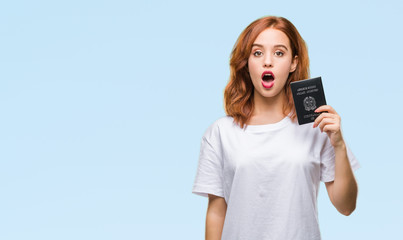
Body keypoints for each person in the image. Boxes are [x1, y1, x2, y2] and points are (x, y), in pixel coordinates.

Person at [191, 16, 360, 240]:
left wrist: (338, 145)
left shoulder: (317, 127)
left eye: (279, 53)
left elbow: (346, 206)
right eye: (257, 53)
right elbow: (216, 211)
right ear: (246, 62)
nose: (267, 62)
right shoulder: (220, 132)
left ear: (293, 63)